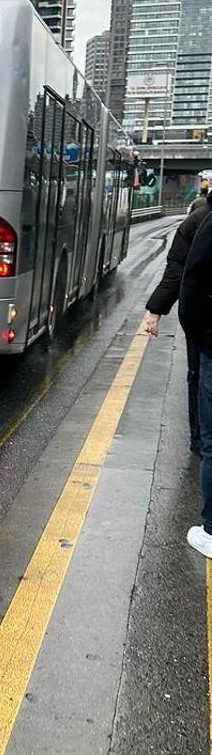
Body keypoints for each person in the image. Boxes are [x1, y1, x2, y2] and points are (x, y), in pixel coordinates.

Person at [144, 191, 211, 452]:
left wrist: (155, 311)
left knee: (198, 377)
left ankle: (199, 440)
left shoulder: (196, 222)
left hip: (203, 322)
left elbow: (177, 270)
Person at [178, 189, 212, 557]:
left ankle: (211, 530)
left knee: (210, 442)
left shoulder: (203, 221)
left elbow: (190, 278)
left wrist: (197, 337)